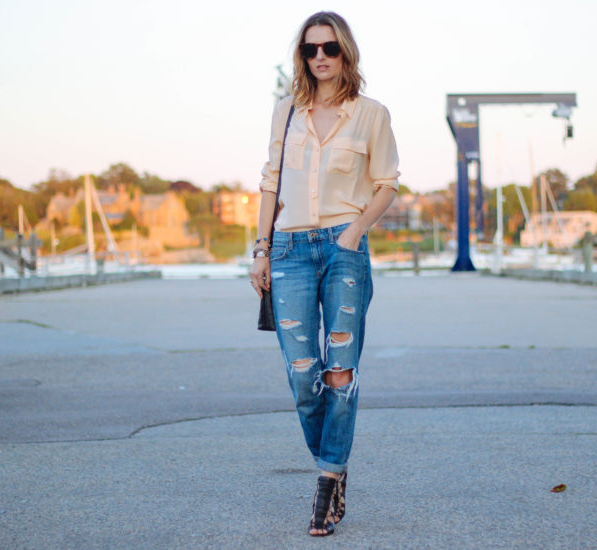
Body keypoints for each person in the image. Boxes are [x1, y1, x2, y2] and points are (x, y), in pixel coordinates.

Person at [249, 11, 399, 537]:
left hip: (343, 250)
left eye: (330, 48)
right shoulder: (285, 112)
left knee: (341, 372)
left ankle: (326, 480)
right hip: (288, 250)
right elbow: (270, 183)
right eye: (311, 49)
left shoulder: (371, 114)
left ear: (345, 53)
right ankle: (334, 461)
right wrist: (261, 250)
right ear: (303, 56)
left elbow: (386, 184)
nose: (320, 57)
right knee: (302, 375)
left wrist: (354, 233)